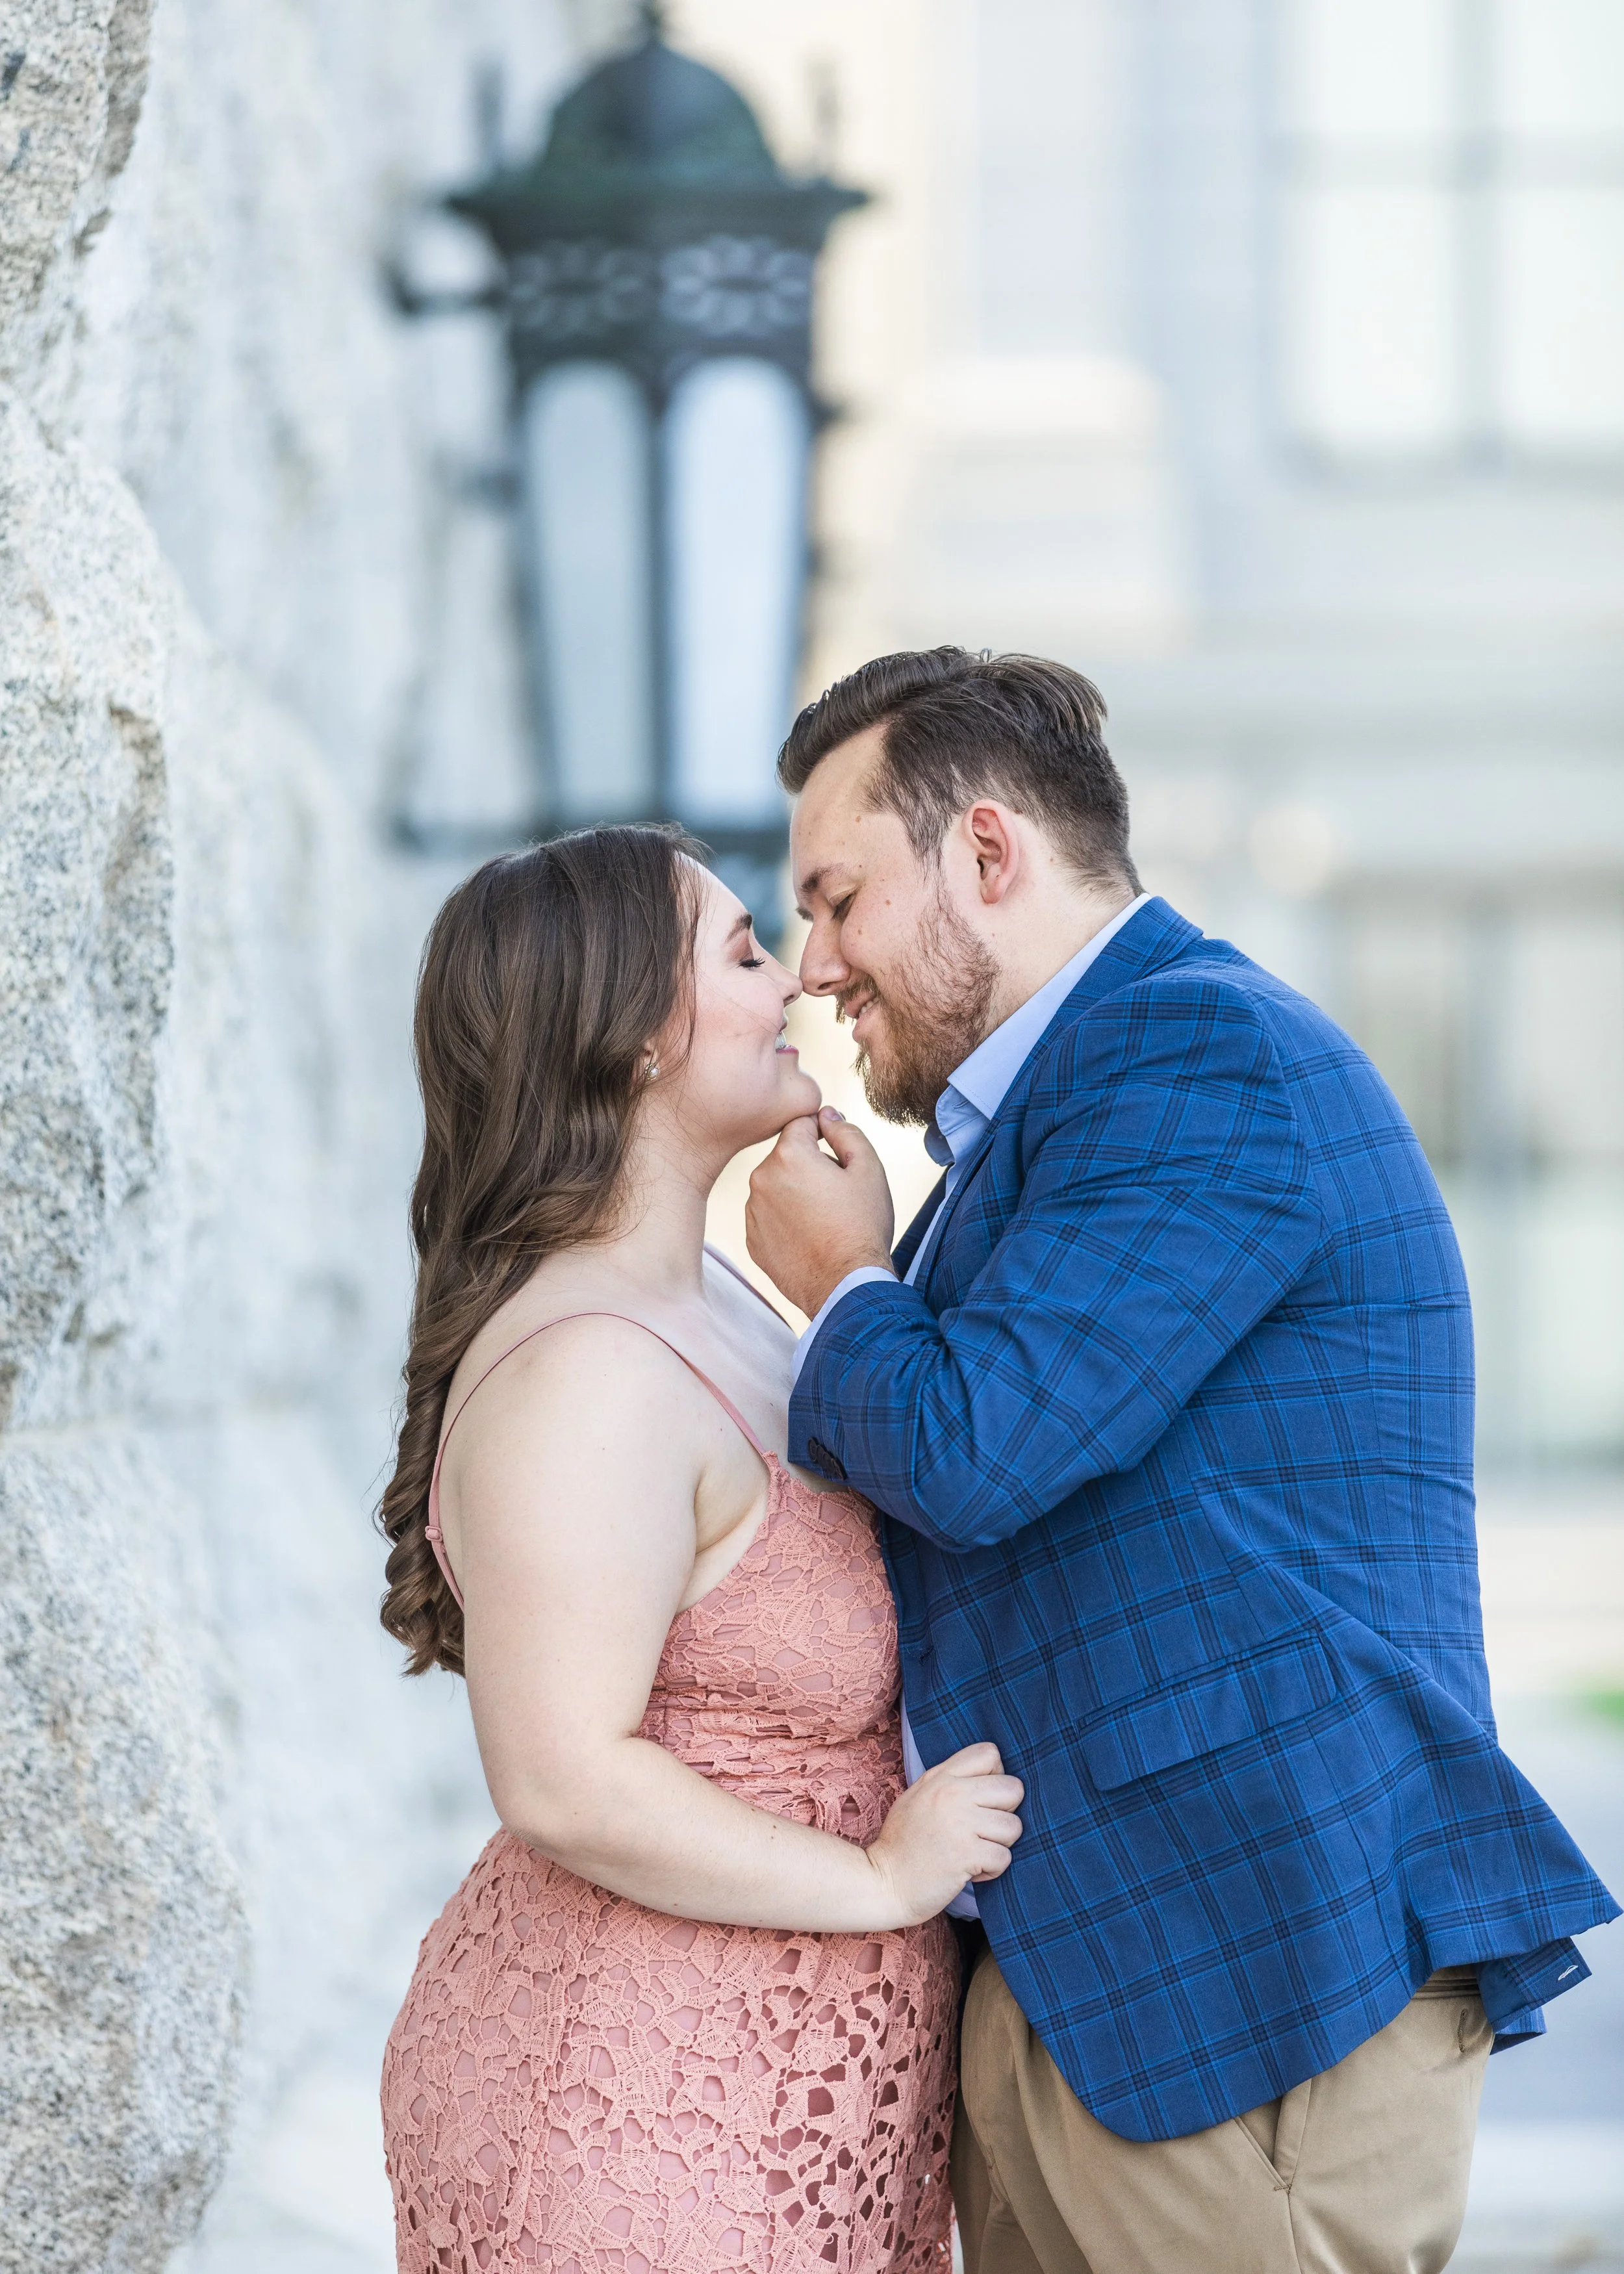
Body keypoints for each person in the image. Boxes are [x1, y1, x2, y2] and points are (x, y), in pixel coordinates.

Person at [745, 646, 1619, 2274]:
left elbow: (973, 1446)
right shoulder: (1055, 1112)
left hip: (1247, 1980)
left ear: (986, 854)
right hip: (1095, 1980)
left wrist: (841, 1285)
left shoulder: (1200, 1060)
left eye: (838, 898)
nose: (815, 965)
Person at [375, 824, 1022, 2274]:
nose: (795, 981)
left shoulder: (721, 1300)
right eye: (741, 951)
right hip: (630, 2119)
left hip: (787, 2111)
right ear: (628, 1041)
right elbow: (561, 1774)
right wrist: (875, 1883)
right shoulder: (586, 1376)